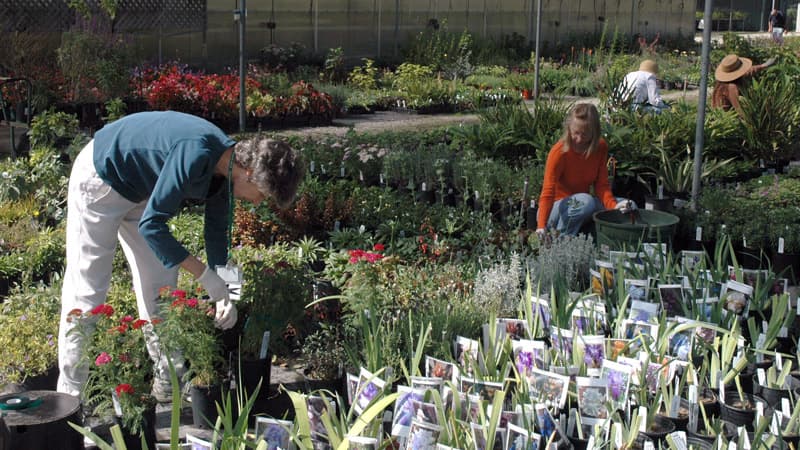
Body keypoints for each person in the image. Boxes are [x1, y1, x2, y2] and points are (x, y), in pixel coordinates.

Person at [57, 111, 304, 399]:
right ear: (249, 175)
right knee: (88, 293)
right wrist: (204, 276)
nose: (259, 202)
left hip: (142, 189)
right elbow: (153, 227)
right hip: (101, 177)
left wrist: (229, 292)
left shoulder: (226, 169)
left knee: (161, 288)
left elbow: (217, 234)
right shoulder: (196, 151)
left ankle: (169, 380)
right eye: (263, 194)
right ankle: (69, 401)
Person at [536, 103, 635, 236]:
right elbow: (548, 192)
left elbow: (602, 186)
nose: (579, 139)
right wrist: (541, 226)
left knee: (630, 206)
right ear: (569, 129)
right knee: (586, 201)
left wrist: (613, 206)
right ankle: (561, 243)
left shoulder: (600, 147)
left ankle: (606, 242)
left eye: (585, 134)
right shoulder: (559, 152)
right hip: (555, 211)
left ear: (594, 132)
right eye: (575, 133)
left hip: (582, 205)